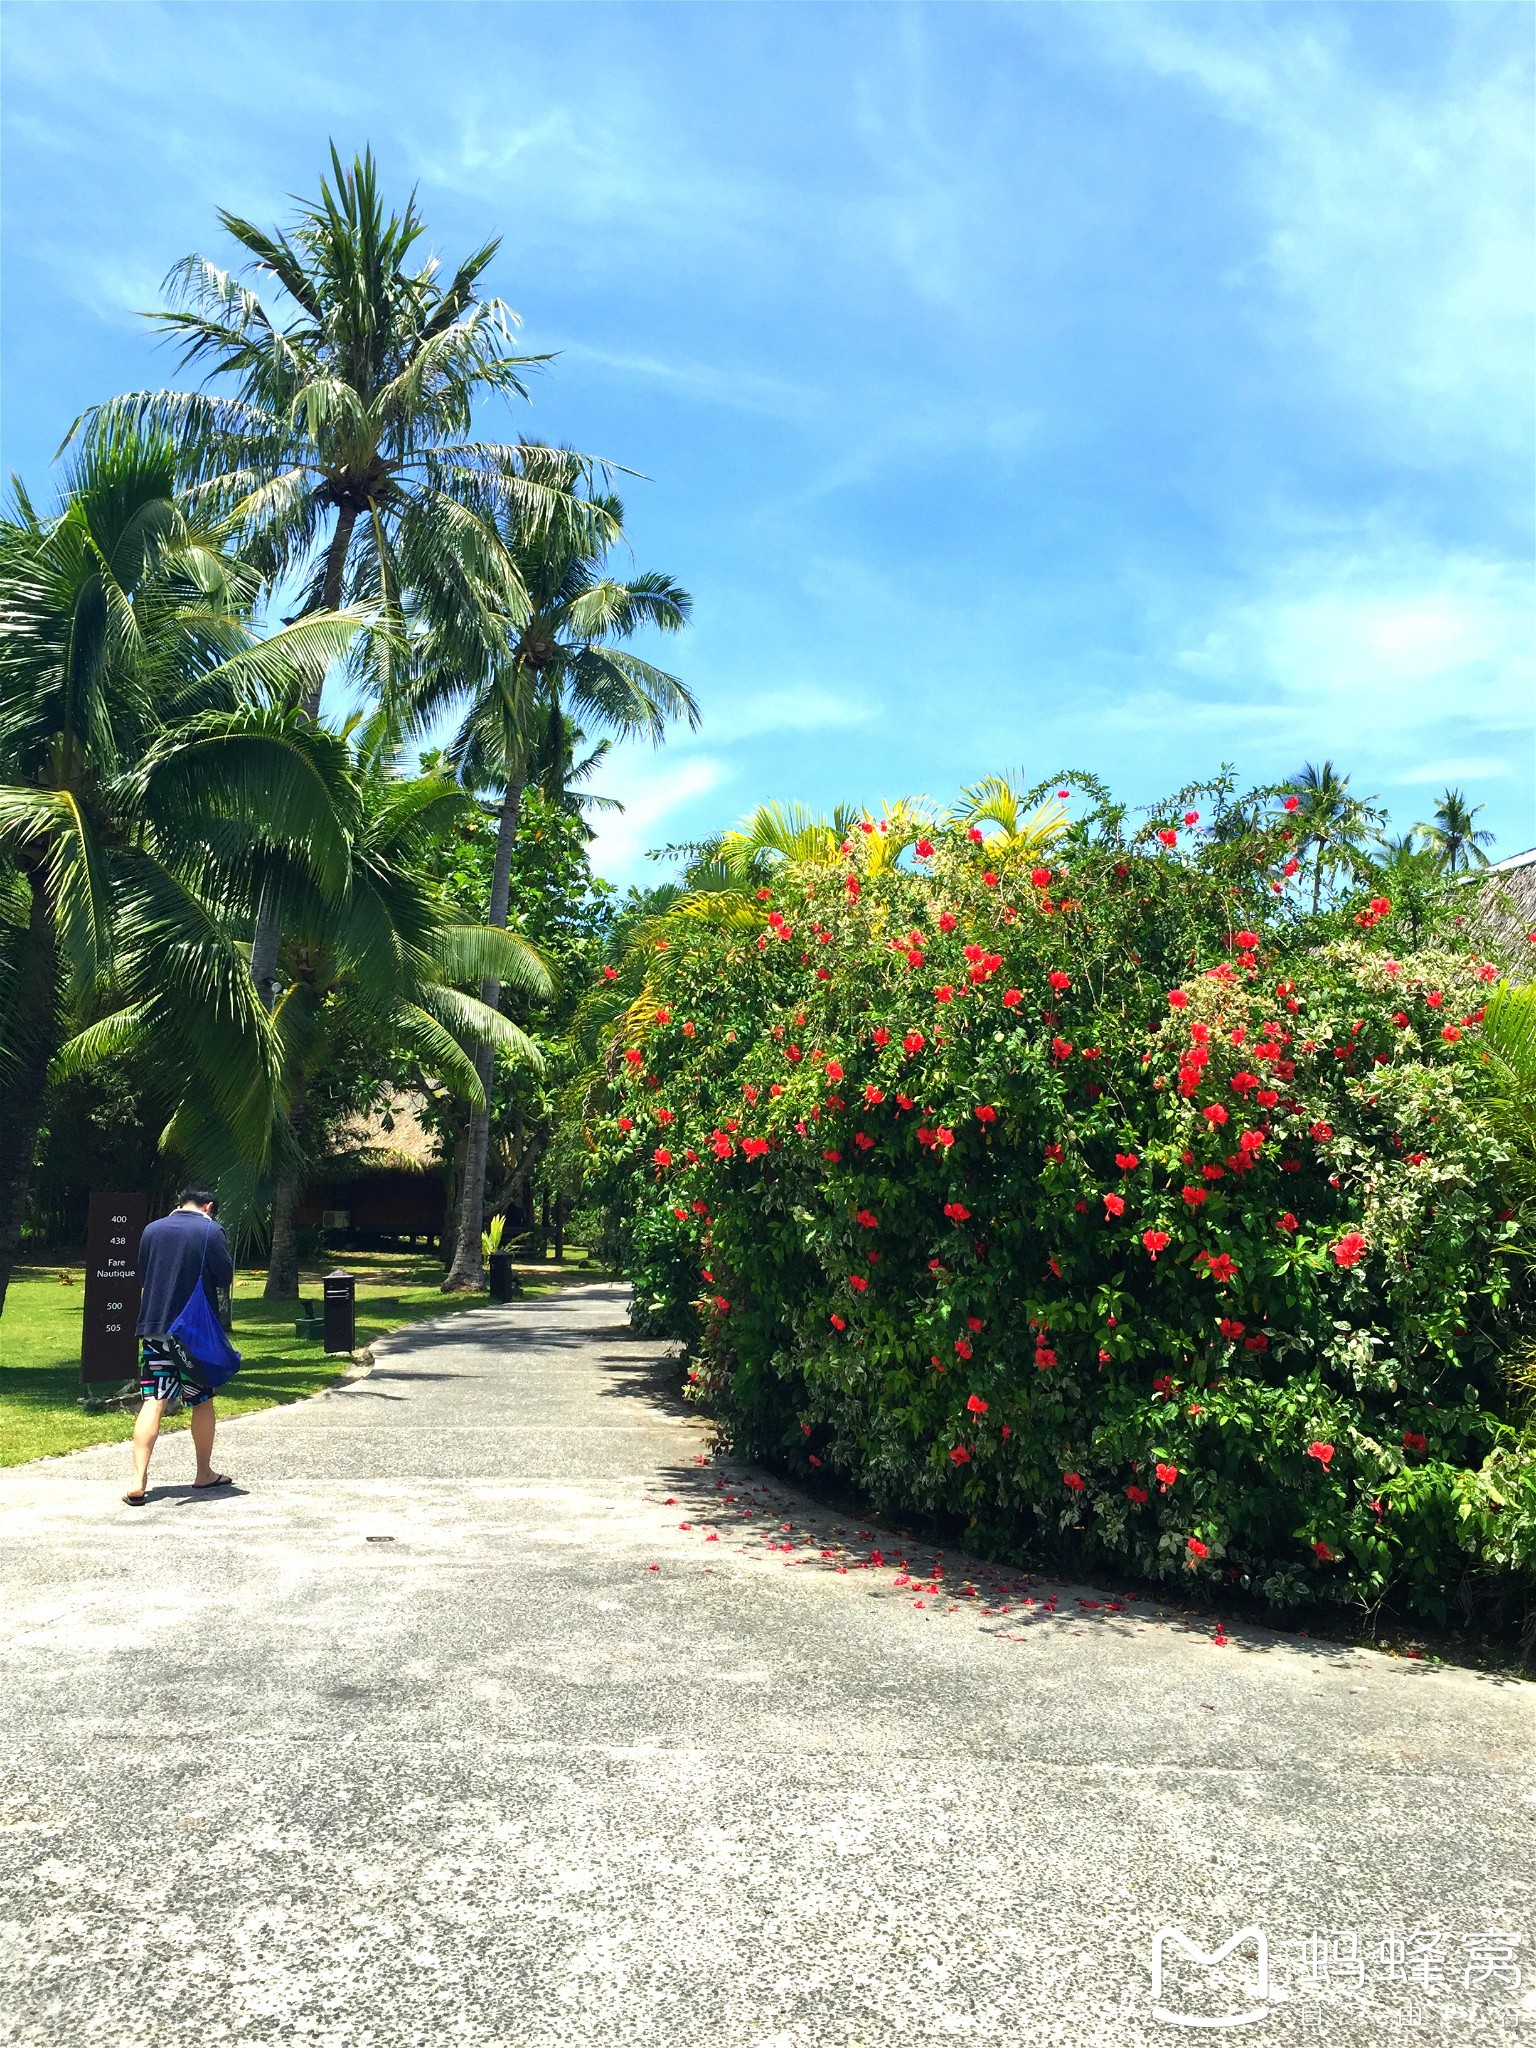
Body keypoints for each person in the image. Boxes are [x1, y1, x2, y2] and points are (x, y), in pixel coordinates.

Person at [124, 1186, 235, 1505]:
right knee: (202, 1400)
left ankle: (138, 1478)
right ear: (209, 1206)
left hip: (156, 1328)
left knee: (154, 1399)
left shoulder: (152, 1230)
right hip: (194, 1334)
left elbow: (143, 1275)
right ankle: (203, 1474)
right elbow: (224, 1276)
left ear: (180, 1204)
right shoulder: (211, 1230)